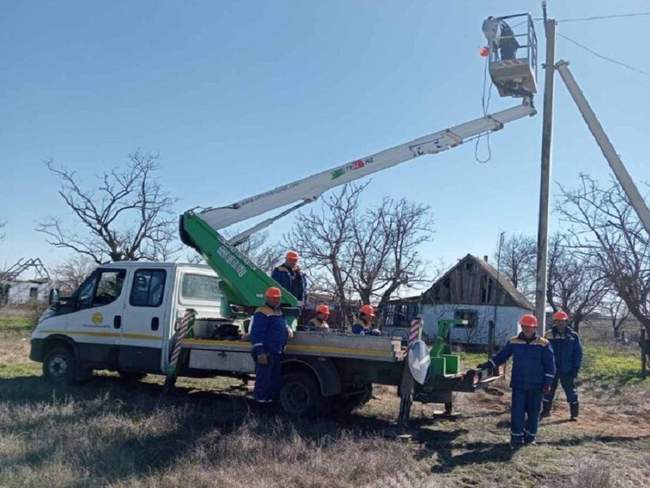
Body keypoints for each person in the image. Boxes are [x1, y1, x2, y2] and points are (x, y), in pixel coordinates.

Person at [477, 314, 556, 448]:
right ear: (521, 326)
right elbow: (502, 356)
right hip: (519, 384)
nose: (527, 329)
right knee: (517, 412)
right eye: (524, 326)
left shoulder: (543, 343)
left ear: (534, 327)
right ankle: (516, 439)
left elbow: (550, 365)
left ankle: (530, 438)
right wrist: (487, 364)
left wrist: (547, 383)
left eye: (530, 327)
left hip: (536, 386)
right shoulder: (514, 342)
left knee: (533, 412)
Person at [249, 287, 290, 404]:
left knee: (273, 380)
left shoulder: (279, 312)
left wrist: (288, 329)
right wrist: (260, 352)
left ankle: (268, 402)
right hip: (266, 352)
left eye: (278, 298)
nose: (276, 300)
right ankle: (259, 405)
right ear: (267, 298)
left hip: (276, 352)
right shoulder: (262, 312)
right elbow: (257, 333)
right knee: (264, 380)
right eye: (273, 298)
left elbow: (284, 324)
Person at [541, 310, 583, 420]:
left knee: (571, 392)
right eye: (558, 321)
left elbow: (578, 353)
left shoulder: (573, 336)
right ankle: (545, 411)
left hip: (567, 369)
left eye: (562, 321)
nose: (560, 323)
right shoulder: (548, 335)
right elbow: (543, 352)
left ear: (566, 322)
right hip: (551, 369)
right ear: (555, 322)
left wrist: (576, 368)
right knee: (548, 391)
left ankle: (574, 415)